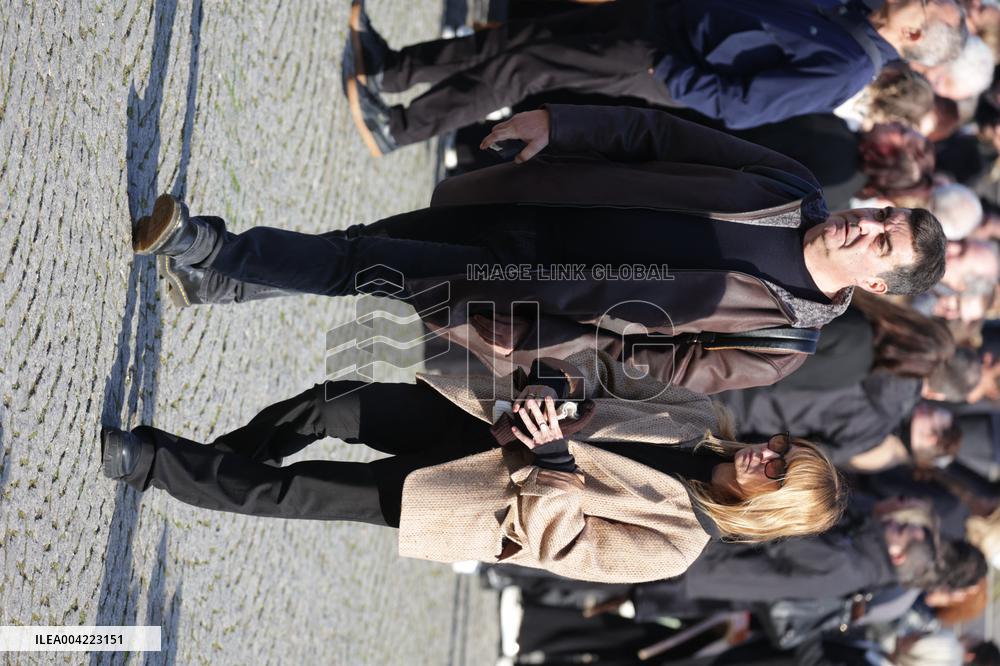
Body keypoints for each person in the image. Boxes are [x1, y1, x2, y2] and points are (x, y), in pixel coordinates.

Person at [132, 104, 948, 394]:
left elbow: (654, 371)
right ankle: (225, 284)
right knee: (368, 251)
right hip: (530, 204)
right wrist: (558, 125)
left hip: (532, 296)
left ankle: (209, 246)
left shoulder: (784, 341)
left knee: (361, 265)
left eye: (879, 238)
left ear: (878, 278)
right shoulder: (791, 183)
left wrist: (548, 358)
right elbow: (657, 134)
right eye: (877, 210)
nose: (862, 222)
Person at [97, 351, 846, 584]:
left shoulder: (677, 543)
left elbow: (558, 546)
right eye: (782, 451)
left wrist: (552, 458)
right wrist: (553, 388)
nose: (767, 457)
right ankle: (215, 466)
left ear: (770, 508)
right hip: (474, 420)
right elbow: (602, 371)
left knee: (296, 492)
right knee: (330, 403)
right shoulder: (697, 420)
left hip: (471, 496)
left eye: (777, 473)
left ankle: (151, 462)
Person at [342, 0, 967, 155]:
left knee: (522, 71)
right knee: (523, 39)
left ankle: (400, 127)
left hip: (665, 64)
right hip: (668, 22)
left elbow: (743, 105)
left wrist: (667, 71)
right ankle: (396, 67)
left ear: (913, 37)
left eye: (923, 4)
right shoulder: (853, 14)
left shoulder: (851, 65)